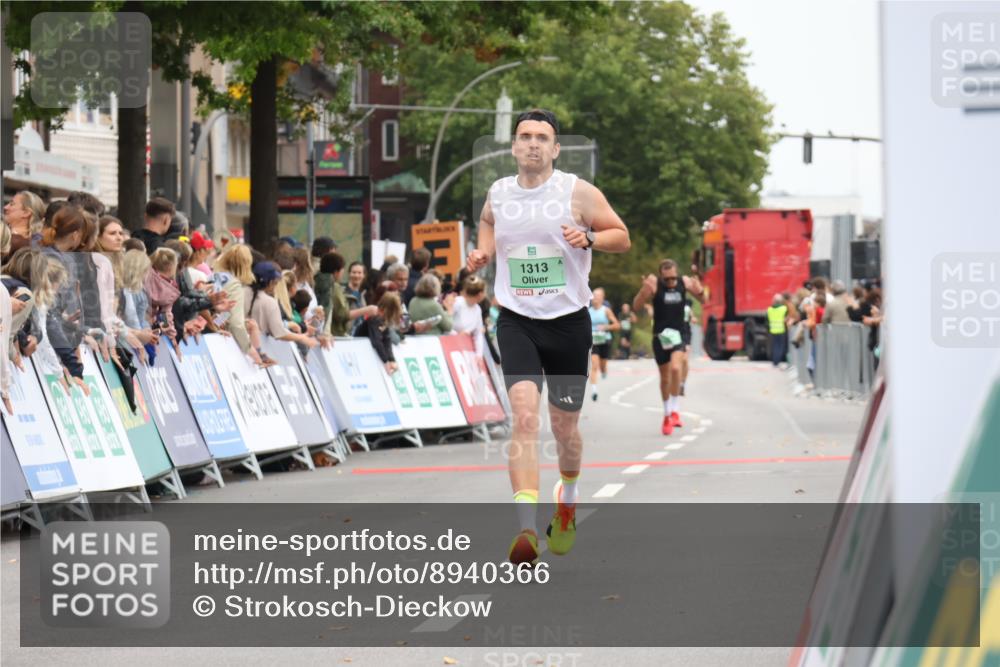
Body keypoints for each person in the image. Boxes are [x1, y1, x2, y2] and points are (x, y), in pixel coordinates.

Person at [465, 108, 631, 565]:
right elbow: (487, 222)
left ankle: (568, 498)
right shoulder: (499, 193)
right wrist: (482, 251)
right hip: (516, 317)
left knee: (565, 428)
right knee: (522, 417)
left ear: (555, 149)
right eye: (525, 136)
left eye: (542, 137)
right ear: (514, 147)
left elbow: (621, 234)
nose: (533, 144)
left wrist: (590, 240)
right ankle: (525, 530)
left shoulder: (577, 191)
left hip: (568, 322)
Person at [632, 259, 704, 436]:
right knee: (664, 378)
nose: (671, 282)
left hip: (678, 335)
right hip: (660, 337)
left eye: (673, 277)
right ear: (661, 276)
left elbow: (703, 299)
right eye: (668, 279)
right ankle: (666, 415)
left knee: (675, 368)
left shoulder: (684, 283)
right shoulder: (654, 284)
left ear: (677, 273)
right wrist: (643, 292)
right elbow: (636, 306)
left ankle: (675, 409)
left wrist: (699, 288)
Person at [248, 261, 317, 349]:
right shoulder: (271, 302)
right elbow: (279, 332)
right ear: (270, 282)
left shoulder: (244, 291)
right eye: (275, 282)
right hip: (255, 345)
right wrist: (302, 337)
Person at [354, 291, 404, 374]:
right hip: (358, 351)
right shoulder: (375, 318)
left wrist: (391, 360)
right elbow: (377, 342)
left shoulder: (384, 319)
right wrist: (386, 362)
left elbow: (387, 340)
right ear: (391, 309)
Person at [586, 287, 620, 401]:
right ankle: (594, 390)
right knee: (594, 365)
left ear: (602, 298)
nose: (595, 298)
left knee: (602, 364)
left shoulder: (606, 310)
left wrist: (606, 327)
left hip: (605, 340)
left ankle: (604, 370)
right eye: (593, 295)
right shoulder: (588, 311)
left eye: (598, 296)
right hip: (594, 341)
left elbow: (617, 325)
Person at [3, 190, 46, 255]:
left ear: (26, 213)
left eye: (12, 204)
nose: (5, 207)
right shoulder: (37, 244)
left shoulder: (14, 242)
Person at [766, 293, 790, 367]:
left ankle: (774, 361)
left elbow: (767, 320)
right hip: (781, 330)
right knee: (780, 346)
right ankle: (777, 361)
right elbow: (787, 318)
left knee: (774, 346)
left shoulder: (769, 309)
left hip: (773, 330)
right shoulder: (784, 308)